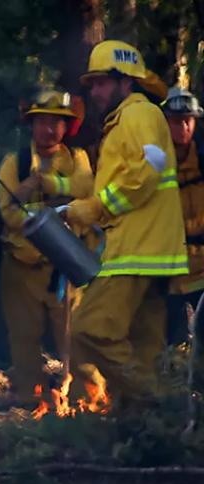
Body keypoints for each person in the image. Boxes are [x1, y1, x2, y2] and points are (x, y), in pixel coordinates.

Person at [65, 40, 185, 409]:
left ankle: (158, 403)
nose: (95, 91)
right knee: (141, 347)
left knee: (88, 329)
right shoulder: (126, 120)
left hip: (137, 250)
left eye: (101, 83)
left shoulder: (138, 115)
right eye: (93, 84)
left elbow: (148, 170)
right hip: (147, 249)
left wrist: (96, 208)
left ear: (125, 80)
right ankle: (142, 431)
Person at [0, 89, 93, 402]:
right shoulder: (17, 162)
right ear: (31, 124)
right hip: (22, 267)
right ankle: (29, 400)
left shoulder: (77, 159)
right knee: (23, 338)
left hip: (65, 267)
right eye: (43, 122)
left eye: (57, 123)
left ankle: (86, 400)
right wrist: (40, 220)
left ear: (66, 127)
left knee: (76, 335)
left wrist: (43, 184)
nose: (49, 129)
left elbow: (85, 188)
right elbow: (7, 210)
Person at [162, 87, 204, 346]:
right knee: (172, 342)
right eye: (177, 121)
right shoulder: (155, 162)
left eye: (188, 121)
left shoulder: (201, 159)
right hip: (170, 271)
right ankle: (173, 386)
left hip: (202, 268)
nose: (184, 128)